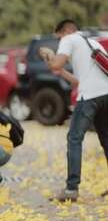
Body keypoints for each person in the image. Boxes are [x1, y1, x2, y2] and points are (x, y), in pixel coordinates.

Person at [40, 19, 108, 202]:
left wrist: (50, 57)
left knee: (74, 138)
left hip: (90, 97)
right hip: (106, 94)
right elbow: (76, 80)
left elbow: (56, 64)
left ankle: (71, 188)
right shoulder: (92, 43)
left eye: (58, 37)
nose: (59, 40)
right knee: (106, 139)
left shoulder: (69, 39)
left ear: (66, 30)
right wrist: (57, 68)